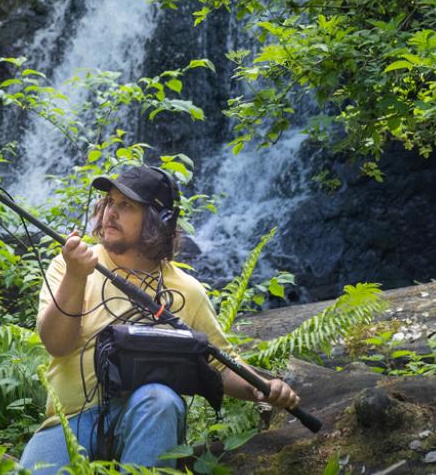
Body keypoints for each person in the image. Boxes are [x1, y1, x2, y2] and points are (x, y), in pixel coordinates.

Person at [17, 165, 300, 473]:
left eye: (126, 205)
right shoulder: (70, 266)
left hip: (149, 414)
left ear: (159, 220)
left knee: (161, 399)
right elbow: (56, 344)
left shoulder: (187, 291)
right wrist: (75, 276)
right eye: (109, 202)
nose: (111, 212)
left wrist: (259, 388)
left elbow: (219, 364)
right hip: (70, 421)